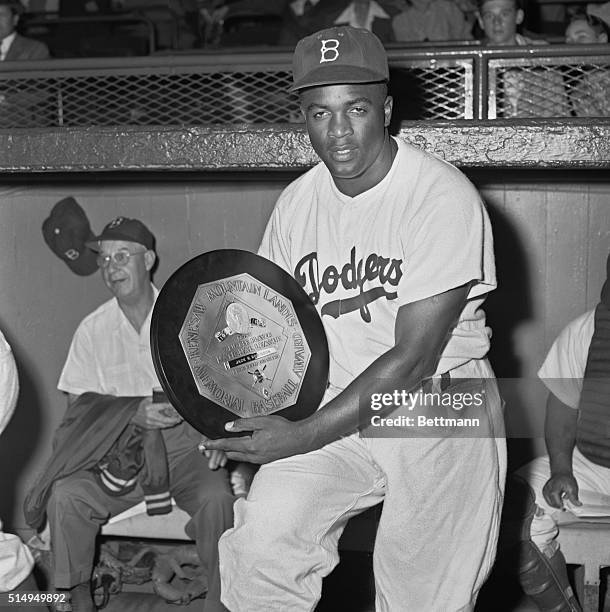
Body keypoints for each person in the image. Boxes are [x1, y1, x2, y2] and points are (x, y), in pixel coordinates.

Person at [203, 25, 506, 612]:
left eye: (356, 109)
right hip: (337, 398)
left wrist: (298, 435)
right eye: (319, 112)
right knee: (261, 550)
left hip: (439, 406)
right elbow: (268, 328)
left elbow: (413, 357)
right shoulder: (297, 202)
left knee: (423, 599)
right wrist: (228, 405)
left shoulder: (440, 196)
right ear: (304, 117)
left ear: (387, 110)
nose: (337, 131)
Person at [24, 217, 234, 612]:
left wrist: (219, 440)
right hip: (120, 456)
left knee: (217, 499)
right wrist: (130, 414)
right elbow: (77, 413)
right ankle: (75, 596)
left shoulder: (183, 316)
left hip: (184, 448)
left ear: (148, 259)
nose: (111, 267)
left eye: (122, 255)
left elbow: (221, 390)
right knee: (67, 496)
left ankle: (222, 601)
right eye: (104, 259)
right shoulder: (92, 330)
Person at [515, 254, 610, 612]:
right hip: (592, 470)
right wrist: (560, 468)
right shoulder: (585, 331)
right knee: (517, 503)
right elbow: (562, 410)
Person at [476, 0, 570, 117]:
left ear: (519, 17)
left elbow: (559, 112)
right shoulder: (473, 64)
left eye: (504, 14)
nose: (497, 22)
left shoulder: (542, 54)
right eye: (489, 16)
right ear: (481, 21)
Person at [564, 12, 610, 117]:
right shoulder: (578, 90)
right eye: (568, 39)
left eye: (581, 37)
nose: (572, 44)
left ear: (602, 39)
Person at [392, 0, 473, 43]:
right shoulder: (400, 21)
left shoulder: (449, 8)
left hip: (454, 67)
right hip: (416, 70)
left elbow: (466, 40)